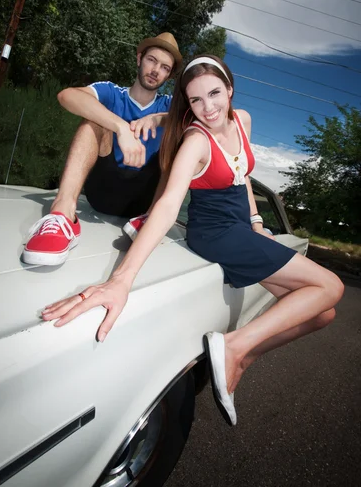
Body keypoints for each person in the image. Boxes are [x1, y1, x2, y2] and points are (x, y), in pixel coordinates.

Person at [41, 55, 344, 426]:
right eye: (196, 100)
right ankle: (232, 346)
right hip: (215, 233)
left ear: (230, 90)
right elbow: (169, 203)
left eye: (215, 93)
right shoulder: (195, 141)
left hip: (241, 229)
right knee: (332, 286)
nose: (208, 107)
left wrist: (257, 221)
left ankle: (244, 356)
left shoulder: (243, 121)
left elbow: (243, 176)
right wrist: (121, 279)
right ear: (187, 102)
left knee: (322, 315)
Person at [23, 32, 182, 266]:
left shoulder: (169, 105)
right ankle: (61, 215)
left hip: (143, 202)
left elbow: (202, 123)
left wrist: (161, 120)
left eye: (165, 67)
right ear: (139, 58)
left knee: (179, 139)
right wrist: (120, 127)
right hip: (102, 190)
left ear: (168, 74)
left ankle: (151, 221)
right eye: (152, 60)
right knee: (92, 121)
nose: (156, 70)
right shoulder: (111, 92)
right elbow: (67, 96)